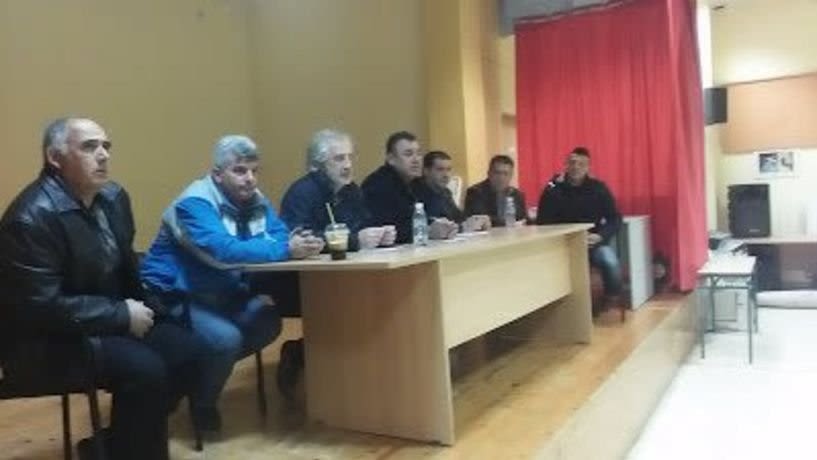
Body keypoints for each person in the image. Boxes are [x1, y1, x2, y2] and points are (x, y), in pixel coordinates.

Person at [0, 118, 203, 460]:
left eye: (106, 146)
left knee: (188, 350)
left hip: (102, 321)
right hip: (45, 342)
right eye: (89, 147)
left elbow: (124, 266)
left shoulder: (112, 198)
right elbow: (40, 306)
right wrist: (121, 314)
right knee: (145, 370)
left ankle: (114, 445)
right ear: (54, 157)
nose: (103, 155)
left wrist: (149, 307)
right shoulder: (29, 218)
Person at [140, 135, 324, 432]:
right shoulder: (193, 202)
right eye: (240, 170)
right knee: (226, 340)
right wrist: (283, 249)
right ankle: (203, 403)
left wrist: (290, 244)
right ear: (217, 174)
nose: (250, 178)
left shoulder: (255, 200)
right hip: (173, 296)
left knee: (267, 322)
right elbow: (222, 250)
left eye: (254, 170)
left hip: (222, 292)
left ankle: (194, 378)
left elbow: (279, 234)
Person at [275, 129, 396, 398]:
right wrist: (355, 240)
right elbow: (301, 238)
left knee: (385, 293)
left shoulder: (352, 191)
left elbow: (363, 225)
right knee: (358, 302)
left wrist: (379, 235)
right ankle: (300, 352)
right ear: (317, 166)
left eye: (350, 157)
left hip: (345, 275)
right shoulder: (301, 192)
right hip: (301, 281)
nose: (348, 165)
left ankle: (364, 373)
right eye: (339, 159)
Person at [535, 146, 623, 313]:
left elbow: (615, 219)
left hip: (592, 243)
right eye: (572, 163)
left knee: (610, 261)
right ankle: (557, 309)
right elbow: (542, 221)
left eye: (581, 164)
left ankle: (610, 298)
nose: (576, 167)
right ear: (566, 165)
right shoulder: (554, 188)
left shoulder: (598, 188)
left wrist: (600, 236)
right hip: (562, 245)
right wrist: (552, 187)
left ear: (588, 167)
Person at [362, 131, 458, 243]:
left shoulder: (417, 182)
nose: (416, 160)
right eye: (408, 154)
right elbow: (389, 228)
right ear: (391, 159)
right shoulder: (378, 185)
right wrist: (428, 230)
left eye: (418, 154)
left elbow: (436, 213)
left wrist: (450, 225)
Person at [412, 150, 490, 232]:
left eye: (448, 170)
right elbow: (432, 222)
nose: (446, 175)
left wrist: (476, 220)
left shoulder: (445, 192)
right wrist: (461, 227)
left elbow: (458, 217)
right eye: (440, 170)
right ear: (426, 171)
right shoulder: (415, 191)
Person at [463, 155, 527, 227]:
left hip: (513, 233)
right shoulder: (475, 192)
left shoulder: (517, 195)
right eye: (497, 173)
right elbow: (481, 219)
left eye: (506, 174)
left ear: (511, 176)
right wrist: (508, 223)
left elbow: (523, 219)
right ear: (489, 173)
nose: (501, 178)